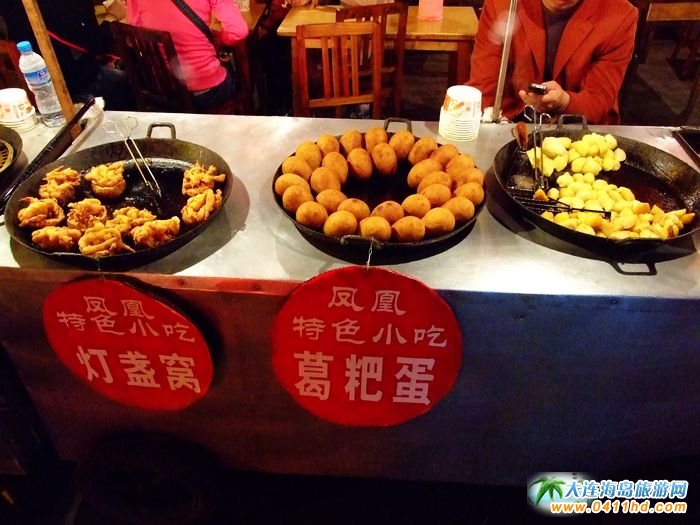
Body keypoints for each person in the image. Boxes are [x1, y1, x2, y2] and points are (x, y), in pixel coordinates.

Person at [467, 0, 638, 124]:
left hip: (581, 132)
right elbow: (484, 86)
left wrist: (564, 102)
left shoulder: (619, 15)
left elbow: (598, 100)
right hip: (511, 122)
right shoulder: (502, 4)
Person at [127, 0, 249, 113]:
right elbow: (238, 31)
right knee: (234, 70)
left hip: (162, 91)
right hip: (206, 91)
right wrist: (221, 40)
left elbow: (134, 37)